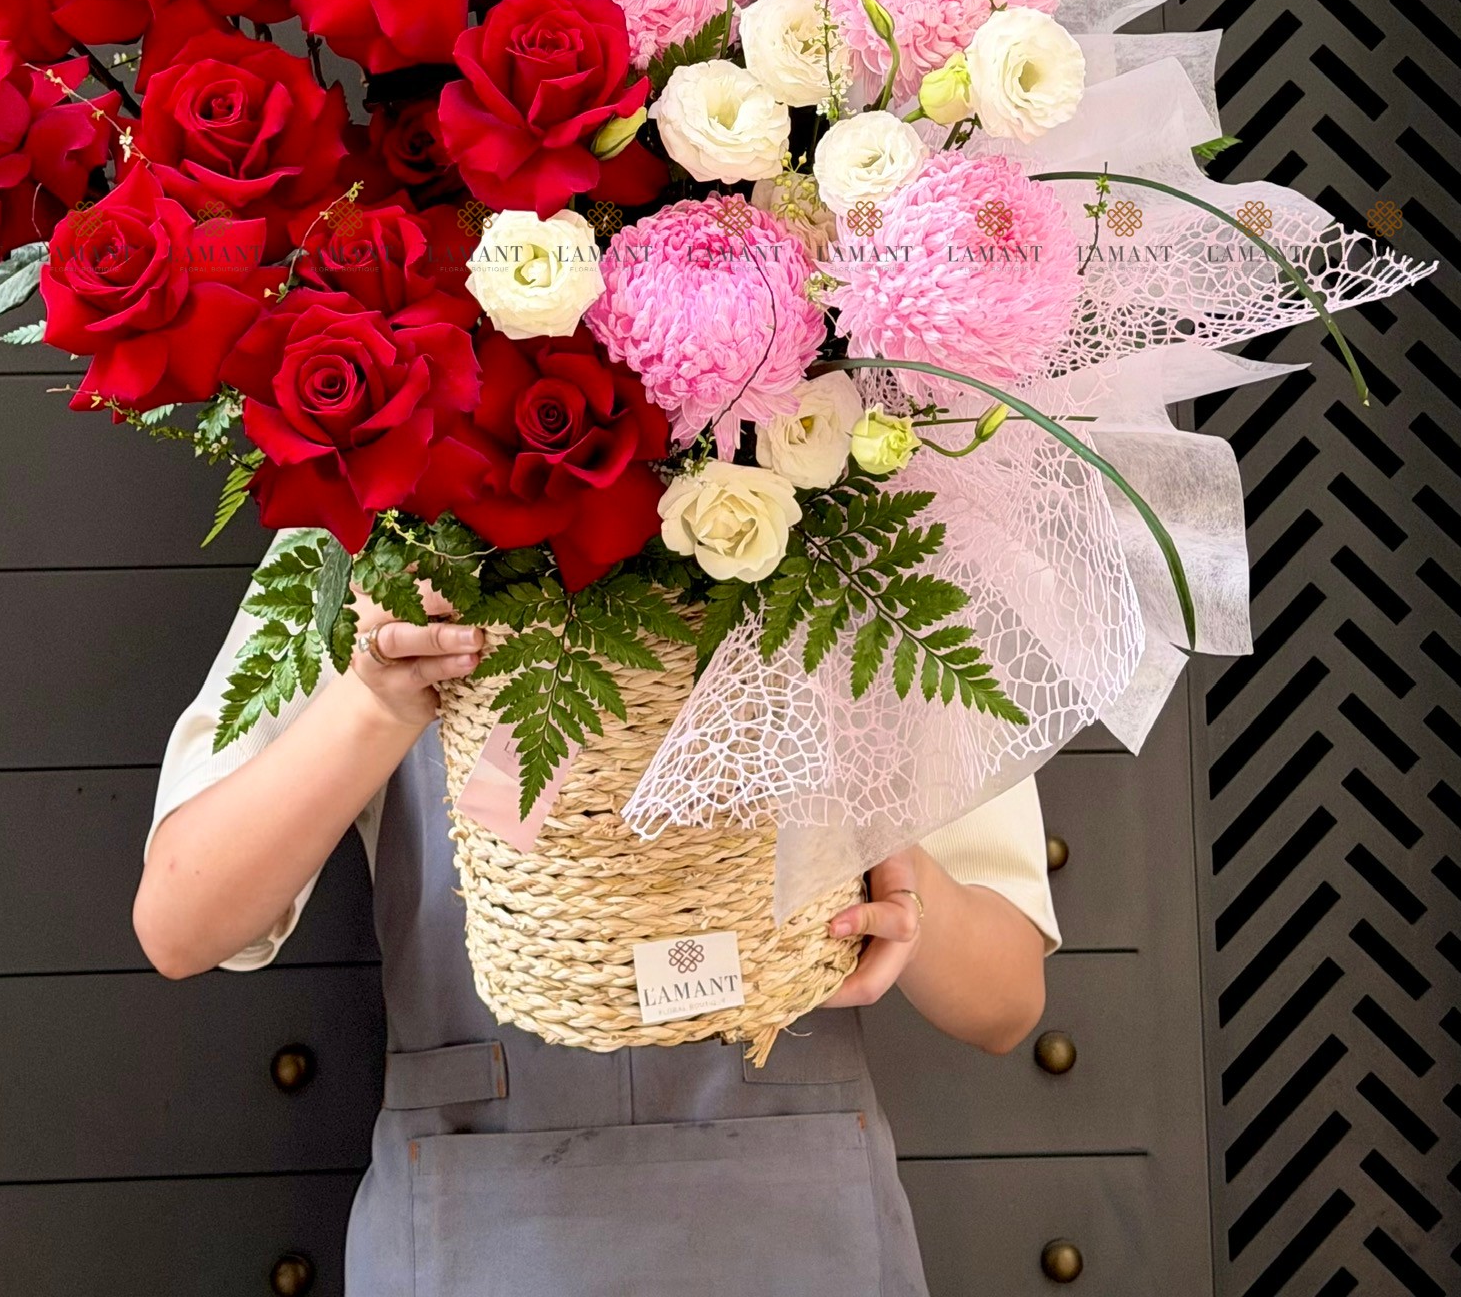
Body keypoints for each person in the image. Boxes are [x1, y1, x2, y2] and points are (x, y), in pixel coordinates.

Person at [137, 534, 1060, 1296]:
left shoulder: (859, 537)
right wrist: (376, 701)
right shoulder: (376, 530)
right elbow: (182, 922)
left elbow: (1006, 1000)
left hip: (798, 1222)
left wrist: (893, 863)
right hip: (484, 1223)